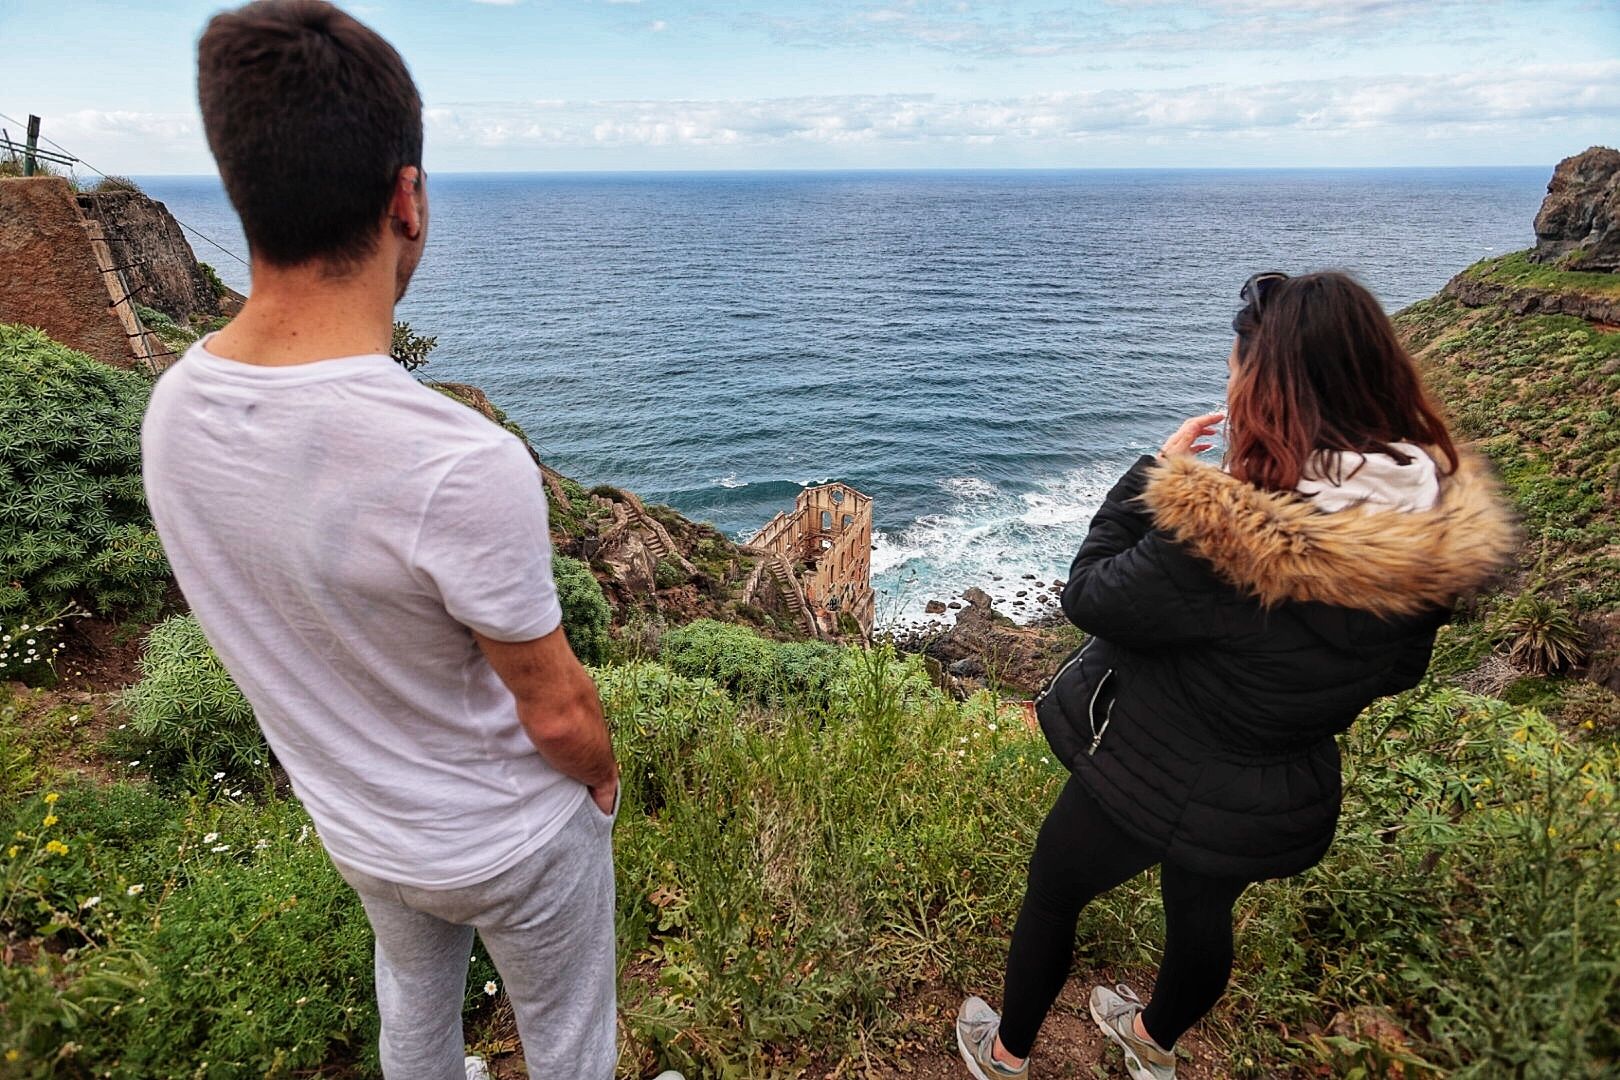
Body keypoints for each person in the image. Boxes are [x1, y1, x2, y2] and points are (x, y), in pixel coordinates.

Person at [141, 4, 653, 1077]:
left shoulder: (175, 412)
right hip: (512, 841)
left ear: (245, 193)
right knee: (570, 1043)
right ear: (406, 198)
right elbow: (556, 707)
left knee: (414, 1010)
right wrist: (601, 779)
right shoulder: (457, 461)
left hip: (360, 825)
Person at [955, 271, 1518, 1080]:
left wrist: (1158, 481)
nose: (1228, 378)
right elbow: (1398, 671)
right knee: (1202, 914)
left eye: (1236, 367)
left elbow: (1088, 595)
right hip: (1276, 786)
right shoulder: (1424, 532)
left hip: (1155, 767)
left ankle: (1004, 1054)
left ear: (1271, 389)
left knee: (1054, 893)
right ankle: (1151, 1046)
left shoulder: (1231, 534)